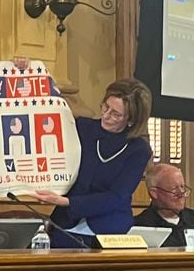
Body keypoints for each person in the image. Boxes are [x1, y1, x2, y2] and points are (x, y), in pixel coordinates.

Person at [14, 58, 153, 248]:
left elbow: (116, 197)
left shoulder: (139, 150)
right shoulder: (82, 127)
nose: (106, 116)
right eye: (106, 107)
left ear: (131, 121)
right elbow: (43, 110)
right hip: (65, 225)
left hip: (110, 232)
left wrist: (66, 202)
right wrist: (24, 72)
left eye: (116, 114)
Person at [134, 163, 194, 247]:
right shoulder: (140, 226)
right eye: (174, 189)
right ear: (154, 193)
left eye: (182, 187)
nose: (181, 193)